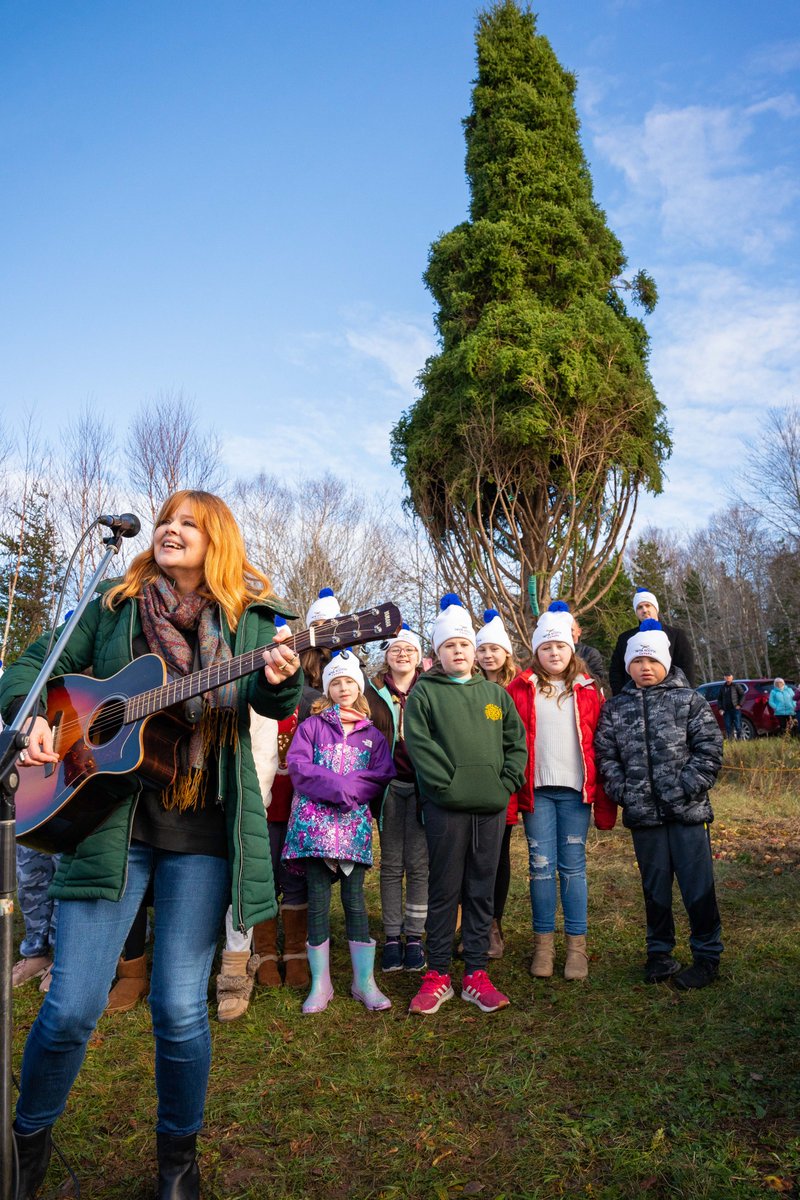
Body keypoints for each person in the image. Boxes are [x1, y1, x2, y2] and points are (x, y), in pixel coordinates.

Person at [1, 489, 304, 1200]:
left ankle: (177, 1163)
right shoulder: (111, 603)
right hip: (107, 823)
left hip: (202, 829)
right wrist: (35, 722)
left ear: (218, 540)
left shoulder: (253, 621)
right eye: (165, 520)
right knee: (73, 1003)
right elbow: (29, 671)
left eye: (188, 524)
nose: (170, 530)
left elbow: (273, 703)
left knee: (176, 1006)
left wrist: (285, 682)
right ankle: (24, 1145)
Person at [404, 594, 527, 1016]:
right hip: (446, 808)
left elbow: (516, 743)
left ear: (475, 651)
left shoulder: (494, 694)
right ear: (437, 652)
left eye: (464, 644)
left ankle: (475, 973)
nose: (458, 650)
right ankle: (437, 973)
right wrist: (448, 786)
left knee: (482, 887)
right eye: (449, 645)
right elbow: (421, 746)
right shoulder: (425, 695)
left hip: (490, 807)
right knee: (445, 889)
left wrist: (504, 783)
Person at [595, 620, 724, 990]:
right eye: (637, 662)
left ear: (666, 662)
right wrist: (624, 790)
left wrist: (686, 786)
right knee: (655, 888)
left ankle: (707, 955)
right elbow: (606, 755)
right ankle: (659, 953)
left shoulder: (690, 701)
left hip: (687, 813)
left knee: (697, 886)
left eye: (651, 660)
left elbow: (709, 750)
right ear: (628, 666)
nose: (644, 667)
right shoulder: (616, 709)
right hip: (643, 816)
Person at [282, 649, 396, 1014]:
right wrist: (338, 787)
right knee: (317, 901)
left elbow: (380, 773)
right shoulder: (312, 727)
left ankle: (364, 982)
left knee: (355, 901)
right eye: (336, 682)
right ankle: (321, 983)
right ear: (327, 687)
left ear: (358, 686)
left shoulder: (372, 735)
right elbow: (299, 767)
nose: (343, 687)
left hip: (352, 828)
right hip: (314, 827)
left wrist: (353, 791)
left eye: (349, 681)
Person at [507, 601, 616, 981]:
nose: (554, 653)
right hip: (537, 792)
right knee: (540, 868)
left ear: (572, 650)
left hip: (574, 792)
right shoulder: (520, 688)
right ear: (536, 651)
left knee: (573, 868)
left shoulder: (589, 690)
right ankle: (543, 946)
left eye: (561, 647)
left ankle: (576, 947)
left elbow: (601, 743)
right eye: (546, 647)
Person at [369, 624, 427, 973]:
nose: (402, 654)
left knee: (419, 865)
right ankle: (392, 936)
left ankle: (415, 936)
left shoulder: (431, 689)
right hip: (388, 788)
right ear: (387, 657)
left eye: (409, 649)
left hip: (421, 788)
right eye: (395, 649)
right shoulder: (373, 692)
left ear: (419, 656)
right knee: (391, 865)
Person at [475, 608, 521, 960]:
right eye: (483, 649)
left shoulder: (518, 689)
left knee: (496, 855)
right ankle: (469, 922)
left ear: (506, 652)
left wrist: (508, 780)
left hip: (503, 785)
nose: (488, 655)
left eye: (494, 649)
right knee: (467, 855)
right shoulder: (468, 685)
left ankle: (493, 922)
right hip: (469, 785)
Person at [608, 587, 696, 696]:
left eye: (648, 605)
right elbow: (616, 671)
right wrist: (620, 697)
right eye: (640, 607)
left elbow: (686, 668)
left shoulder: (676, 635)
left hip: (671, 698)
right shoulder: (625, 638)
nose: (644, 610)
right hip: (634, 698)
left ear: (656, 608)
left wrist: (686, 695)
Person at [12, 847, 58, 992]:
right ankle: (36, 953)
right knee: (29, 874)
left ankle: (63, 959)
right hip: (29, 824)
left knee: (65, 874)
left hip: (70, 825)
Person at [571, 616, 607, 694]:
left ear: (579, 632)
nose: (568, 633)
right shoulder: (554, 654)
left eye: (571, 630)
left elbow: (599, 680)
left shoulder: (590, 653)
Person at [718, 673, 746, 740]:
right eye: (726, 678)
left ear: (732, 678)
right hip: (726, 710)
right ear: (724, 678)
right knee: (728, 726)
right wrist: (720, 708)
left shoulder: (736, 686)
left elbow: (742, 695)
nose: (728, 679)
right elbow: (719, 699)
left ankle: (739, 740)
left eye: (729, 678)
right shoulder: (722, 687)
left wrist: (739, 705)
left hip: (735, 709)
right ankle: (731, 741)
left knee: (738, 726)